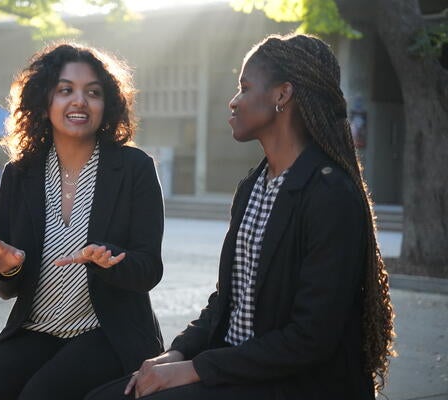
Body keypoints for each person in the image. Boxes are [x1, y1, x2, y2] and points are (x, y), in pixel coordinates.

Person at [86, 33, 394, 400]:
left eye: (245, 88)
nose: (233, 101)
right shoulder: (254, 186)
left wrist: (195, 370)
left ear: (282, 95)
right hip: (235, 368)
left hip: (293, 383)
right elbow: (226, 300)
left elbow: (310, 339)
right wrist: (176, 353)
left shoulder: (330, 194)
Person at [0, 42, 165, 400]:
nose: (79, 101)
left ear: (108, 104)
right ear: (45, 101)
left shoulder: (134, 168)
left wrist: (110, 258)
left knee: (43, 393)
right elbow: (4, 287)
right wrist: (6, 268)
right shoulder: (20, 173)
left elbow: (149, 269)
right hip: (37, 328)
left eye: (93, 92)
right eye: (65, 90)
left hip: (107, 332)